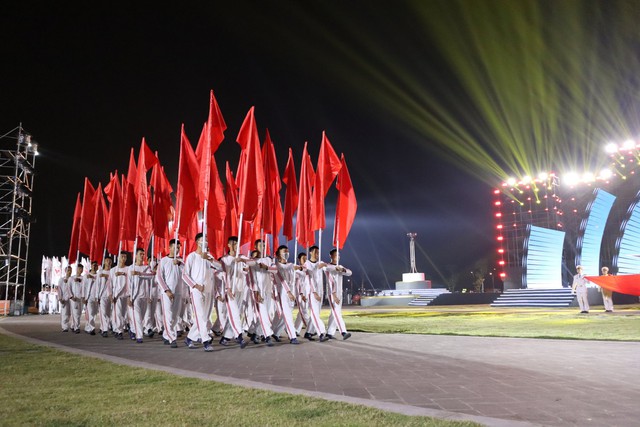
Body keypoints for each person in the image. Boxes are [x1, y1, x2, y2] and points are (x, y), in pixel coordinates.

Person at [182, 232, 222, 352]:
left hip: (209, 290)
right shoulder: (191, 257)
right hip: (196, 291)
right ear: (197, 242)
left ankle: (190, 338)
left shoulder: (208, 256)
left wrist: (209, 258)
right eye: (202, 240)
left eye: (206, 240)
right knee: (200, 316)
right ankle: (205, 340)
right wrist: (194, 285)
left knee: (205, 317)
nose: (204, 242)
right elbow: (184, 275)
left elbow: (219, 267)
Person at [217, 236, 248, 349]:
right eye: (233, 243)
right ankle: (239, 337)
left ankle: (225, 337)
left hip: (240, 289)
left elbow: (251, 264)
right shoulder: (225, 259)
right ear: (229, 245)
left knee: (235, 314)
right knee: (234, 313)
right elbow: (222, 275)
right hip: (230, 290)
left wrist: (243, 261)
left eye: (237, 244)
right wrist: (228, 288)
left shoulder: (241, 257)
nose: (235, 246)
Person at [244, 241, 275, 345]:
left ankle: (256, 333)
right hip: (258, 291)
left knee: (264, 314)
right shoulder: (252, 261)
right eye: (260, 245)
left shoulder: (268, 259)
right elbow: (251, 278)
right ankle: (268, 336)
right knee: (263, 314)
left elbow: (275, 270)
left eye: (264, 245)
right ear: (255, 246)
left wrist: (266, 267)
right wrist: (256, 292)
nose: (263, 247)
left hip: (267, 290)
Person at [269, 245, 301, 344]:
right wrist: (288, 292)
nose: (286, 253)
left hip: (291, 292)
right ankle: (292, 336)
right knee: (287, 314)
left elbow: (294, 276)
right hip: (282, 292)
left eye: (287, 251)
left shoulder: (290, 265)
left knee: (281, 315)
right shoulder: (276, 266)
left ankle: (274, 332)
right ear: (278, 254)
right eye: (284, 251)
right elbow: (281, 280)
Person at [156, 239, 183, 348]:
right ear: (170, 247)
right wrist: (166, 290)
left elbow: (187, 272)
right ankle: (172, 338)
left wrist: (179, 263)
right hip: (167, 293)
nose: (176, 249)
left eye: (178, 247)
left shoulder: (181, 261)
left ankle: (166, 335)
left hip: (178, 292)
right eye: (175, 247)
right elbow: (159, 277)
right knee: (168, 315)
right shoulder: (163, 261)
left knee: (175, 316)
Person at [324, 249, 352, 340]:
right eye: (336, 255)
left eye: (339, 255)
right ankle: (343, 332)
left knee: (334, 313)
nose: (338, 257)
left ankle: (329, 333)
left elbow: (349, 272)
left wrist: (342, 269)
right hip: (332, 293)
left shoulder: (340, 266)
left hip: (339, 293)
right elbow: (330, 274)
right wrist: (334, 294)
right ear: (331, 256)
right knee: (337, 312)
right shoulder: (327, 267)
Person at [128, 248, 155, 343]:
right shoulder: (131, 268)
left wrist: (139, 273)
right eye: (140, 254)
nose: (142, 256)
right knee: (138, 318)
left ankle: (132, 330)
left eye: (143, 254)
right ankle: (139, 336)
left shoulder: (146, 268)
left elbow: (151, 276)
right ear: (135, 255)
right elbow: (129, 283)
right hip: (135, 297)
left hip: (145, 296)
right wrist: (129, 297)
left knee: (141, 318)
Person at [303, 246, 329, 342]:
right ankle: (321, 333)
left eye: (318, 252)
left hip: (320, 291)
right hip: (312, 292)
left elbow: (327, 269)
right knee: (314, 314)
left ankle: (308, 332)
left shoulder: (320, 263)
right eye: (315, 252)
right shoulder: (307, 264)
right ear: (310, 253)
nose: (317, 254)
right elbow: (309, 278)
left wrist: (326, 266)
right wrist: (314, 292)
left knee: (315, 313)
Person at [110, 251, 130, 340]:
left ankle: (124, 327)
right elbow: (109, 284)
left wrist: (122, 274)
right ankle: (119, 331)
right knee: (118, 314)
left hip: (126, 295)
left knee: (125, 314)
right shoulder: (113, 270)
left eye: (125, 257)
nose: (123, 258)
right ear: (118, 257)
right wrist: (111, 295)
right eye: (122, 256)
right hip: (116, 295)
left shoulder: (128, 269)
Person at [96, 257, 113, 337]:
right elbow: (97, 285)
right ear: (104, 262)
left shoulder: (112, 272)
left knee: (109, 313)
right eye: (107, 261)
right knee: (103, 313)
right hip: (102, 295)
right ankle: (104, 329)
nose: (108, 262)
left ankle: (107, 326)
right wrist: (97, 296)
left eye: (110, 261)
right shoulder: (100, 272)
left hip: (111, 296)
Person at [294, 252, 309, 336]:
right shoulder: (296, 270)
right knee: (304, 312)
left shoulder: (306, 269)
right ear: (299, 260)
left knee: (301, 313)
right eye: (303, 258)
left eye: (306, 258)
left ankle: (295, 330)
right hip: (300, 293)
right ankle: (311, 330)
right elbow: (298, 283)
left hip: (307, 293)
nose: (305, 260)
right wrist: (301, 294)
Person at [83, 261, 100, 335]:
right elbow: (84, 287)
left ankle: (88, 327)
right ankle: (92, 328)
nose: (94, 267)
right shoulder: (86, 276)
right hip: (89, 297)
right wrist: (83, 297)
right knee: (90, 313)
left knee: (94, 313)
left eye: (96, 265)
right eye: (93, 265)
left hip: (96, 297)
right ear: (91, 266)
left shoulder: (99, 275)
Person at [70, 264, 85, 333]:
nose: (80, 270)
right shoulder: (72, 278)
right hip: (74, 298)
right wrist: (71, 296)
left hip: (81, 298)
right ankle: (77, 327)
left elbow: (85, 287)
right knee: (76, 313)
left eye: (81, 269)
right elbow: (68, 288)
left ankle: (73, 325)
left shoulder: (83, 278)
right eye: (79, 269)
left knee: (78, 313)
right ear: (76, 269)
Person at [57, 266, 73, 331]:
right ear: (65, 271)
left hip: (71, 298)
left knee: (70, 313)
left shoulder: (72, 279)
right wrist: (60, 298)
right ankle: (65, 327)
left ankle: (72, 326)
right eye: (68, 270)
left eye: (70, 270)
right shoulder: (61, 280)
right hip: (64, 298)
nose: (69, 272)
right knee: (65, 313)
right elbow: (59, 290)